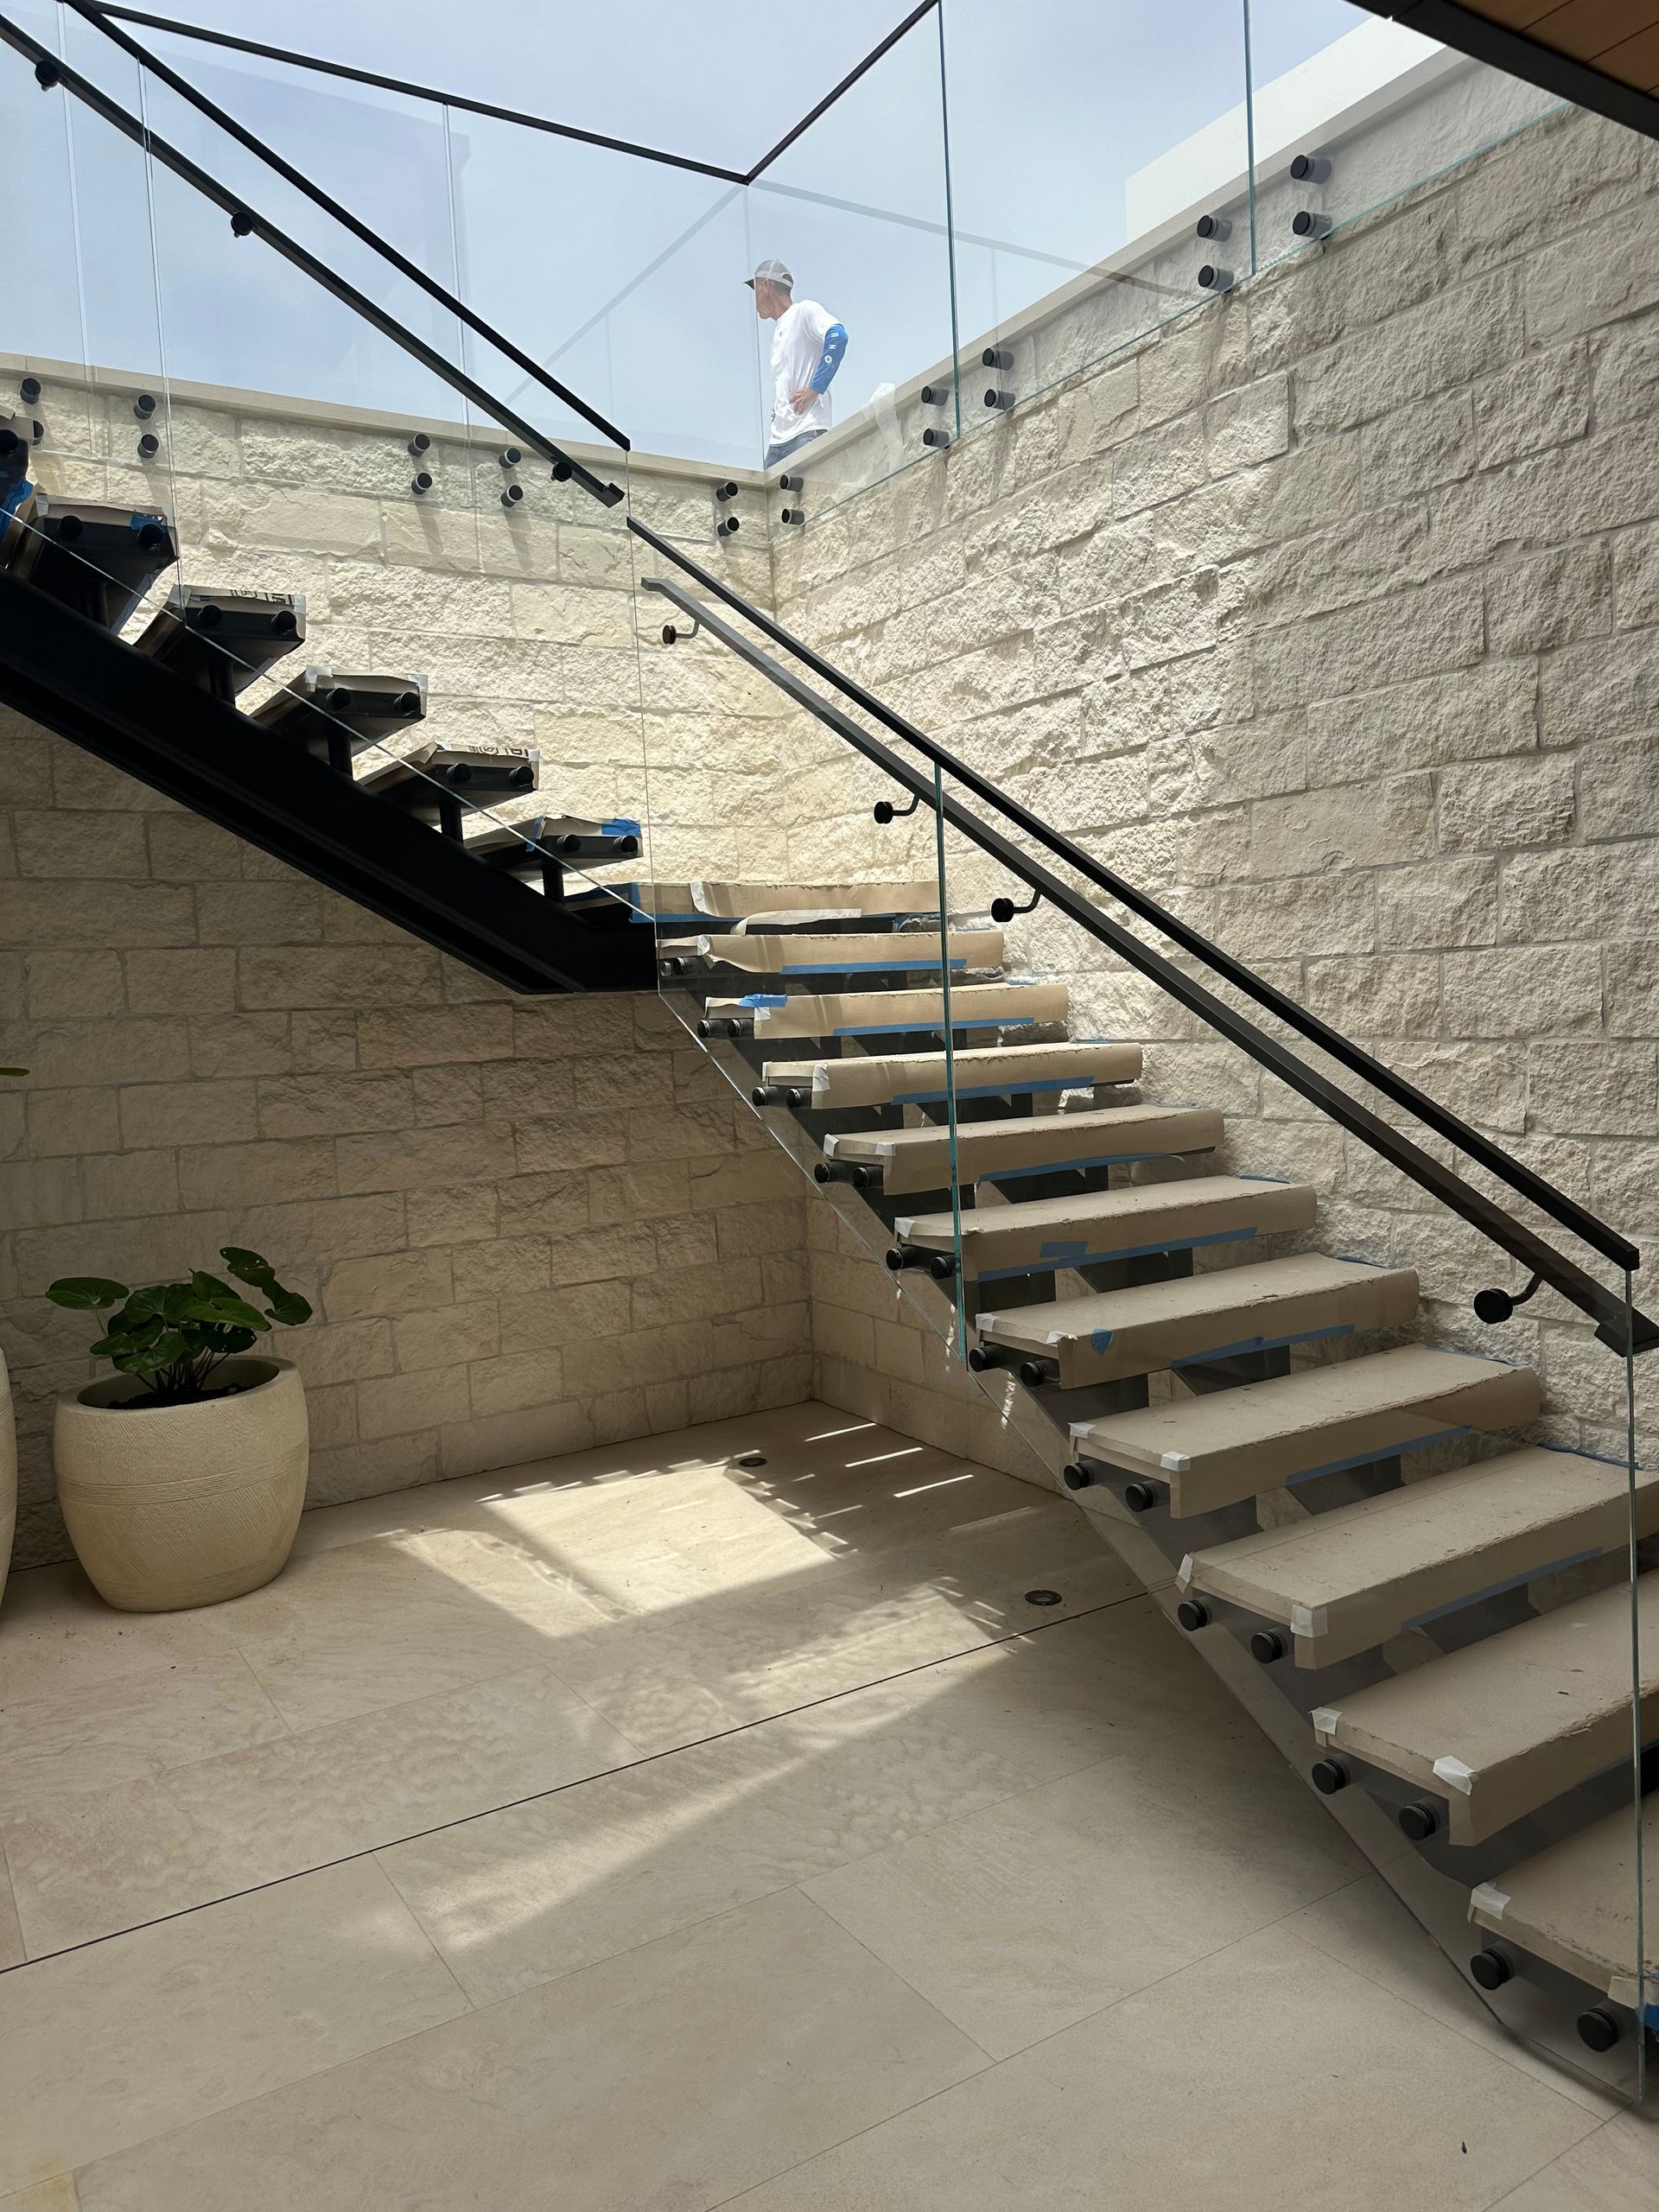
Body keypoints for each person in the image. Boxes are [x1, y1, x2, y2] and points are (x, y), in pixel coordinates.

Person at [747, 258, 847, 473]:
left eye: (755, 288)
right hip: (779, 439)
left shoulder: (804, 311)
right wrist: (780, 407)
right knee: (770, 504)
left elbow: (838, 337)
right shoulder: (779, 333)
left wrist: (815, 389)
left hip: (807, 430)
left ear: (766, 286)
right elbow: (792, 374)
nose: (753, 298)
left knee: (811, 499)